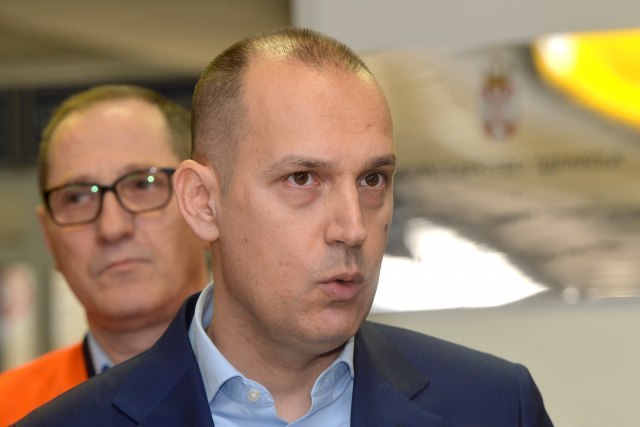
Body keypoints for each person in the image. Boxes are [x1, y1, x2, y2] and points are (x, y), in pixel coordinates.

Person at [14, 28, 553, 426]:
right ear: (203, 203)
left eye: (372, 179)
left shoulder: (495, 406)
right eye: (302, 179)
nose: (352, 228)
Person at [0, 85, 209, 424]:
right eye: (77, 197)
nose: (112, 227)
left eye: (143, 184)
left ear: (203, 205)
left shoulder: (289, 392)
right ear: (48, 236)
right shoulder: (12, 412)